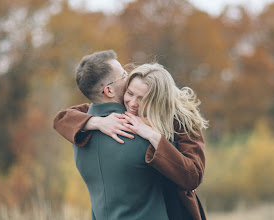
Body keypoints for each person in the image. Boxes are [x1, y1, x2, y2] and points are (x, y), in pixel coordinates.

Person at [54, 58, 208, 220]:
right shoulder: (122, 110)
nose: (132, 103)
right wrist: (98, 122)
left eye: (142, 99)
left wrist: (152, 135)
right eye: (130, 93)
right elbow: (62, 118)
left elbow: (193, 176)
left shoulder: (181, 121)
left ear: (158, 100)